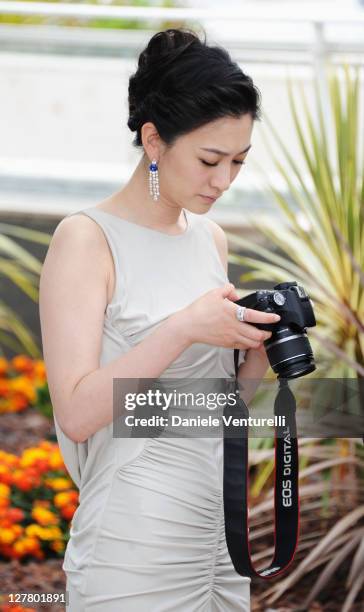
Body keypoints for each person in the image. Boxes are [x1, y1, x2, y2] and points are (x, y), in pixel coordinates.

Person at [39, 27, 281, 611]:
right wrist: (184, 328)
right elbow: (75, 414)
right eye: (209, 159)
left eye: (239, 162)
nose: (223, 181)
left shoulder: (210, 240)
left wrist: (255, 357)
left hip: (220, 533)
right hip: (133, 541)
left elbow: (216, 410)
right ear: (153, 140)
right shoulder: (85, 240)